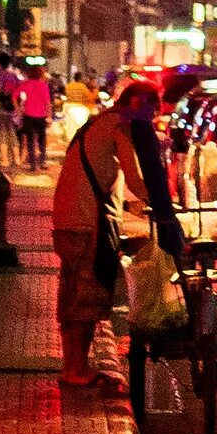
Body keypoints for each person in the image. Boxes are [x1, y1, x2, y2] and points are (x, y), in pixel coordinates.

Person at [53, 81, 184, 388]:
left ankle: (72, 366)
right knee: (86, 299)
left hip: (67, 221)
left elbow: (113, 179)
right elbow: (138, 179)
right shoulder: (119, 128)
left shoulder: (97, 122)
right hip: (87, 224)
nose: (152, 117)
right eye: (152, 108)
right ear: (138, 101)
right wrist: (165, 207)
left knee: (72, 297)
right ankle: (76, 370)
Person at [15, 61, 53, 171]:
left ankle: (32, 164)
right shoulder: (43, 85)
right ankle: (42, 162)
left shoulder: (25, 84)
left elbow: (14, 96)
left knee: (30, 141)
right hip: (41, 116)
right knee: (42, 140)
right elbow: (47, 102)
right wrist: (49, 116)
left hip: (28, 116)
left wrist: (18, 109)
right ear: (41, 73)